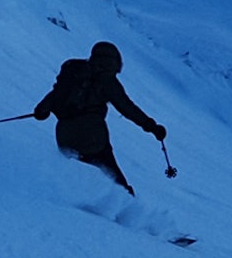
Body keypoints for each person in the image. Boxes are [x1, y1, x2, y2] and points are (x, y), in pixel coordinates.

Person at [33, 41, 166, 195]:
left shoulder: (74, 71)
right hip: (93, 135)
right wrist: (151, 126)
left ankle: (70, 202)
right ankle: (126, 207)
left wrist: (42, 110)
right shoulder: (108, 81)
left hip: (64, 133)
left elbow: (54, 95)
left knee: (75, 170)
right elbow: (127, 107)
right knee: (111, 173)